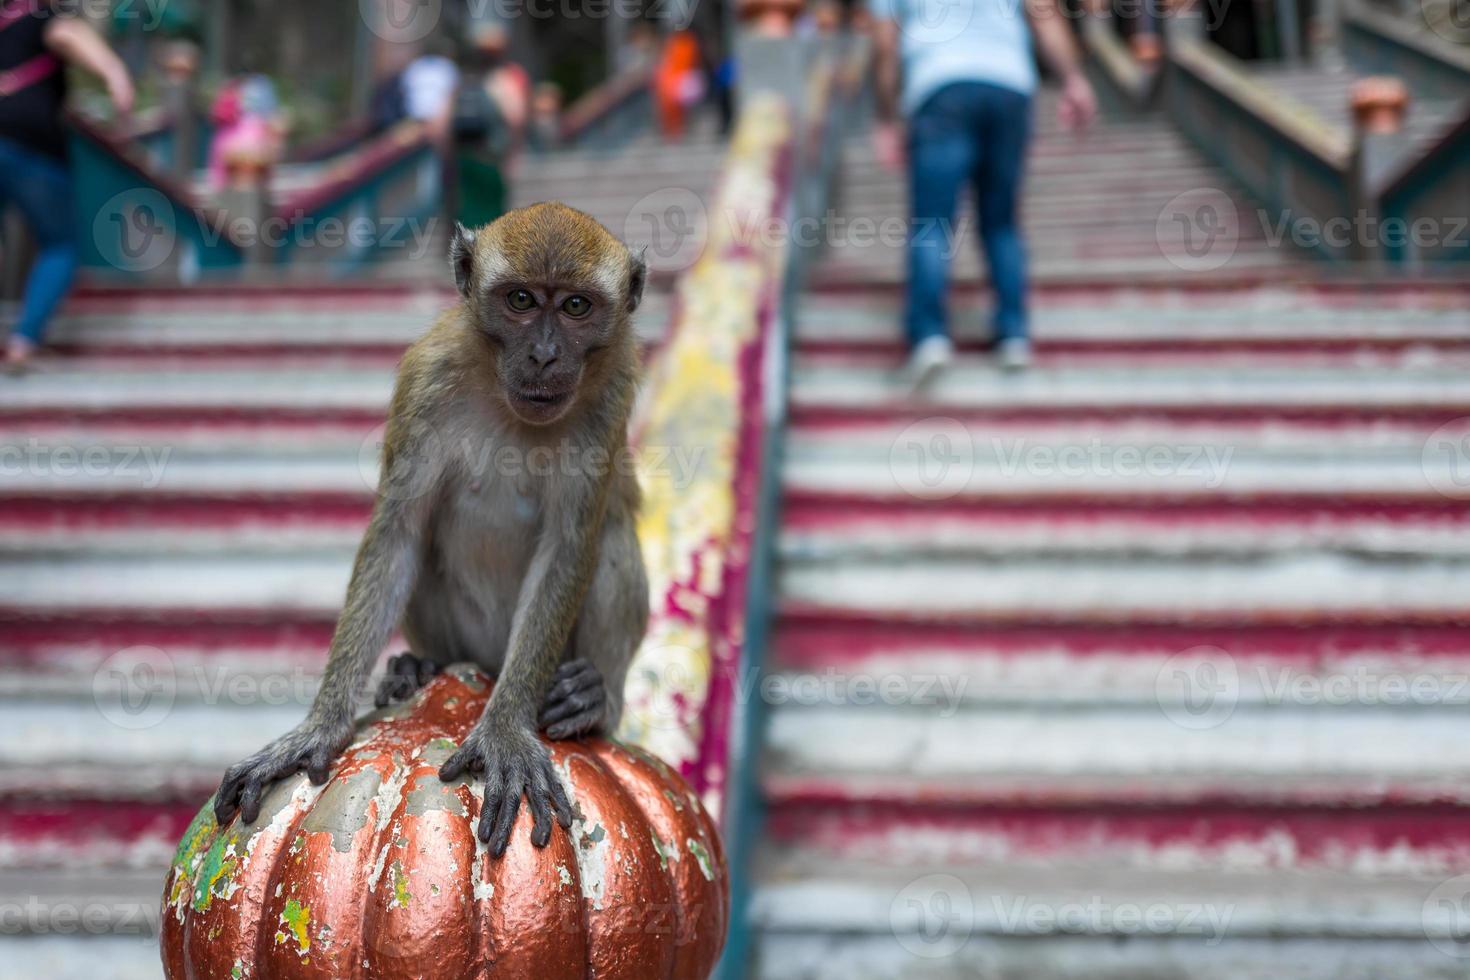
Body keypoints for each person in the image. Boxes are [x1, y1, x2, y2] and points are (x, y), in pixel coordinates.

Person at [871, 0, 1096, 382]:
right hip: (1008, 85)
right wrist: (1073, 78)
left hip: (937, 85)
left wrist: (887, 118)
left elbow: (885, 45)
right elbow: (1044, 15)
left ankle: (929, 336)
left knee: (932, 224)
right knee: (1002, 221)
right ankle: (1013, 334)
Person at [1, 5, 133, 371]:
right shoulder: (39, 19)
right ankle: (24, 341)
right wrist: (114, 72)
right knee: (60, 244)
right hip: (29, 144)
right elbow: (67, 34)